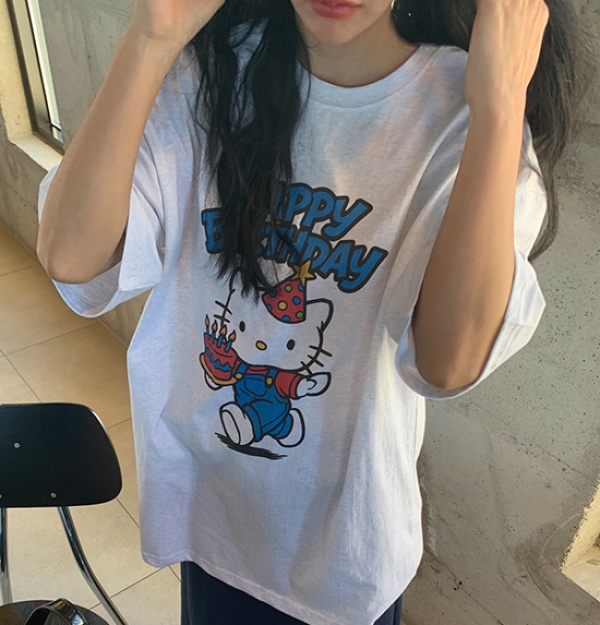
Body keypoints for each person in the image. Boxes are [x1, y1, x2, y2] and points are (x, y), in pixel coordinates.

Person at [36, 1, 589, 623]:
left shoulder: (462, 113)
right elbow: (71, 254)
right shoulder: (211, 71)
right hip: (212, 516)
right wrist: (149, 38)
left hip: (342, 558)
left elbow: (447, 360)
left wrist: (500, 106)